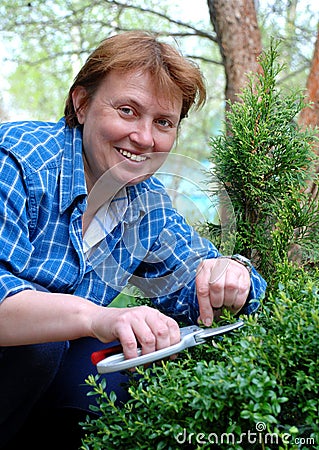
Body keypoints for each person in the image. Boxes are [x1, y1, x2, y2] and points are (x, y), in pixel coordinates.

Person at [0, 30, 267, 449]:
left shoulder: (145, 205)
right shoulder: (18, 160)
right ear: (82, 103)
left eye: (163, 122)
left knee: (105, 371)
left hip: (32, 392)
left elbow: (200, 285)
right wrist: (98, 317)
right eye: (127, 111)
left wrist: (232, 275)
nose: (145, 138)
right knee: (47, 343)